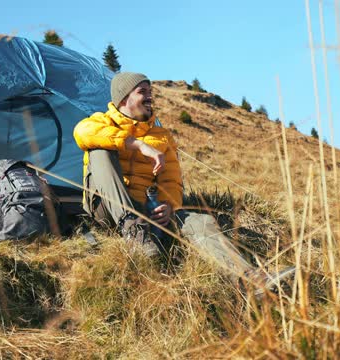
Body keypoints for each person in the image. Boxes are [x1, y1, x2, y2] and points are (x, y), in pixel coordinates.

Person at [73, 72, 293, 293]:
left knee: (199, 221)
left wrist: (168, 206)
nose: (150, 97)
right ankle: (132, 230)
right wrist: (138, 145)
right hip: (107, 211)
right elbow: (82, 133)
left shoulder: (162, 136)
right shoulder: (101, 121)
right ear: (123, 99)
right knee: (100, 151)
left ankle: (250, 280)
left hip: (146, 212)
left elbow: (171, 181)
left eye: (151, 92)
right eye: (142, 92)